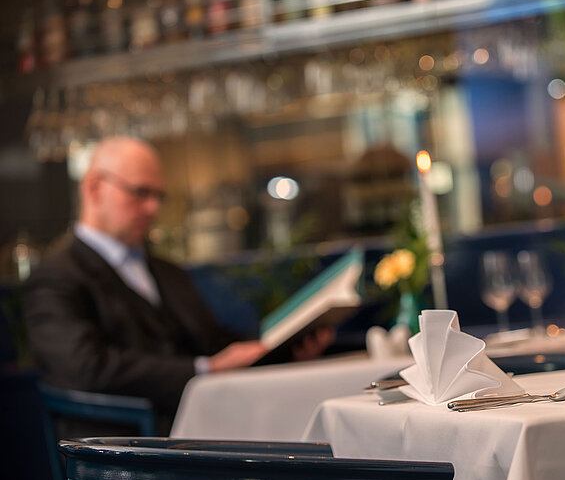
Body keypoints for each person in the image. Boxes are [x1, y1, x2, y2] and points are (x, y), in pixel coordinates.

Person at [23, 136, 333, 435]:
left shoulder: (167, 271)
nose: (152, 208)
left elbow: (215, 342)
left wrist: (284, 351)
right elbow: (88, 368)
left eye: (158, 196)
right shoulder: (54, 278)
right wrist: (203, 370)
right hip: (124, 447)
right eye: (140, 192)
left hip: (208, 430)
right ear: (94, 188)